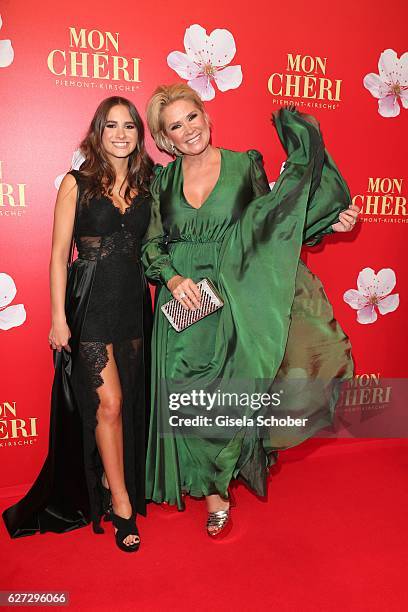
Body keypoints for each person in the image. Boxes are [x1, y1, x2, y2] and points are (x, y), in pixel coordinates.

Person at [142, 83, 359, 538]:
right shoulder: (162, 180)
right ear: (166, 140)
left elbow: (275, 226)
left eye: (191, 118)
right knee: (188, 397)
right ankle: (214, 497)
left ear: (206, 116)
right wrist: (173, 278)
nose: (188, 130)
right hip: (184, 302)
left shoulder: (245, 165)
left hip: (236, 294)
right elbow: (151, 243)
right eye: (175, 127)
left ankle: (225, 472)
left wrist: (329, 220)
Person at [3, 97, 153, 552]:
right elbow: (58, 255)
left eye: (129, 126)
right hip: (88, 303)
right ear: (97, 132)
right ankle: (121, 504)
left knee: (127, 404)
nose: (121, 134)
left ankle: (112, 483)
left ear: (139, 135)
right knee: (109, 402)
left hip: (132, 303)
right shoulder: (77, 183)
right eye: (112, 126)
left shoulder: (150, 186)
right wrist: (56, 318)